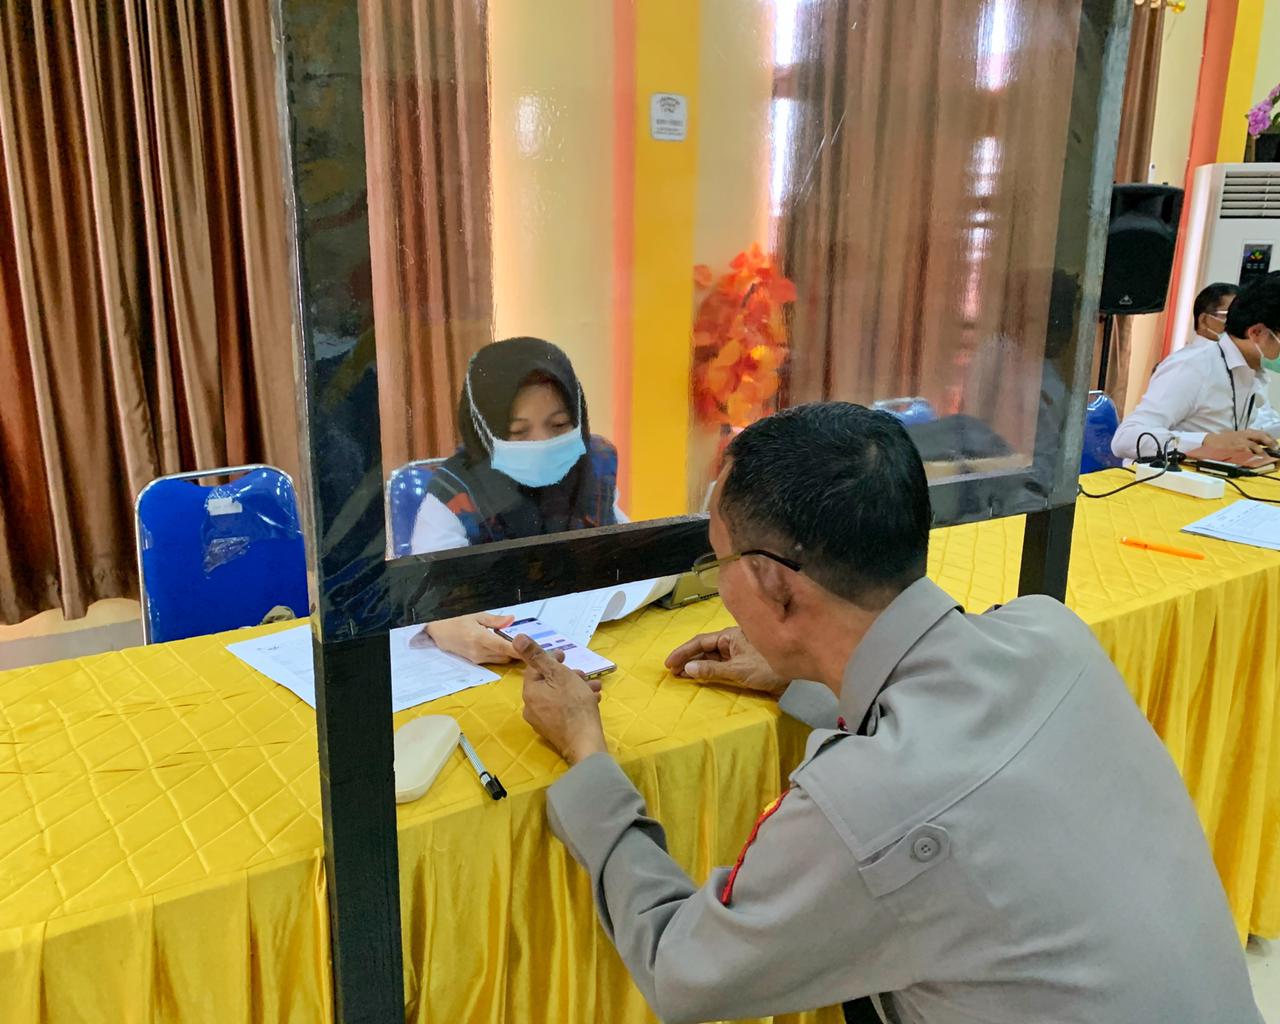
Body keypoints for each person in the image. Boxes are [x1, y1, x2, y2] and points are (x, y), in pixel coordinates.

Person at [514, 402, 1260, 1024]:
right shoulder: (1050, 635)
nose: (723, 588)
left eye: (719, 563)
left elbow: (682, 971)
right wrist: (803, 674)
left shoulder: (862, 805)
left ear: (773, 584)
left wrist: (587, 754)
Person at [411, 337, 624, 664]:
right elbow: (422, 593)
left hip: (593, 640)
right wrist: (441, 625)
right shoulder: (454, 492)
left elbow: (621, 542)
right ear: (484, 431)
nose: (542, 442)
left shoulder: (594, 464)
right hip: (496, 657)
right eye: (518, 431)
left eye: (559, 425)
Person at [1112, 271, 1280, 460]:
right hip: (1160, 476)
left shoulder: (1252, 373)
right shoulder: (1194, 366)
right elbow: (1125, 439)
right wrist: (1206, 441)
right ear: (1257, 333)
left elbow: (1258, 431)